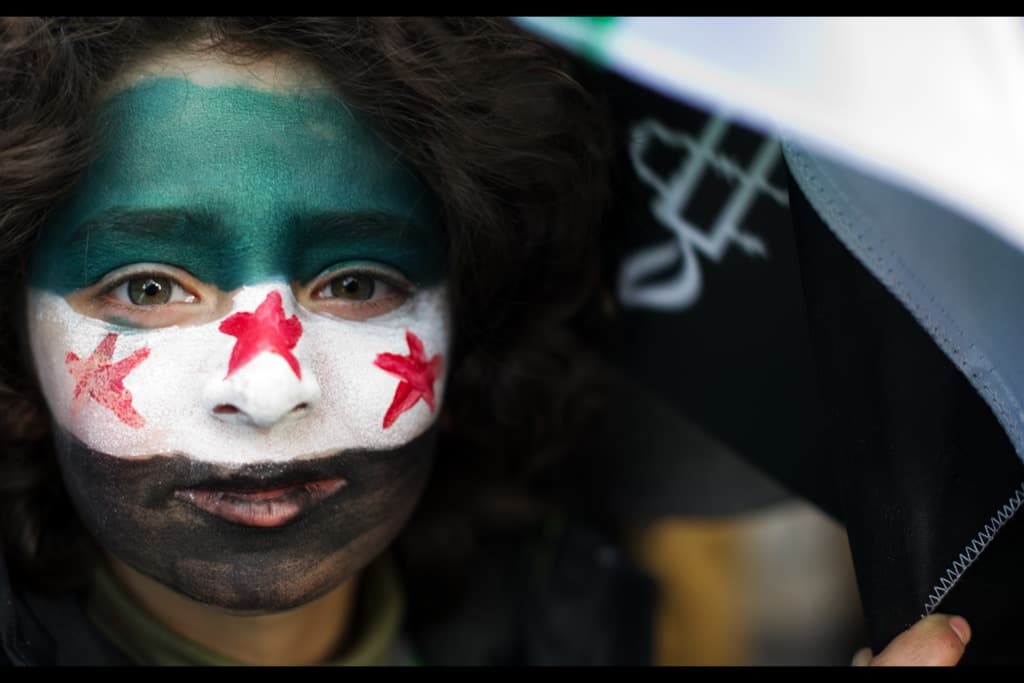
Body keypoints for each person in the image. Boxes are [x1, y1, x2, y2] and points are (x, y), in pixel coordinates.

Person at [0, 16, 971, 666]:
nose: (267, 387)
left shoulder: (579, 622)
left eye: (355, 282)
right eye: (150, 287)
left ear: (473, 326)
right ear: (15, 346)